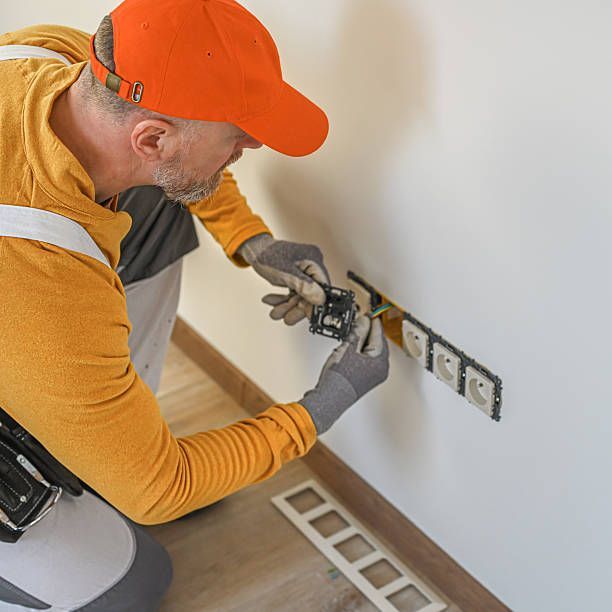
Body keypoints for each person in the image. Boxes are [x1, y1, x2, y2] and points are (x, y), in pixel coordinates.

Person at [0, 0, 390, 609]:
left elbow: (171, 164)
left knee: (157, 204)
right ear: (151, 136)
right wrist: (319, 408)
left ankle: (94, 438)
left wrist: (252, 240)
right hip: (23, 306)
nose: (249, 147)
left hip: (28, 326)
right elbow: (161, 490)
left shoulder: (56, 59)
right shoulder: (44, 282)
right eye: (236, 138)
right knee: (136, 583)